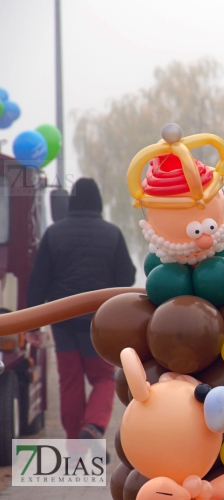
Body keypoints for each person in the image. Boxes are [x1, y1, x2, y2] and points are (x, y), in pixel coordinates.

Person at [26, 178, 136, 443]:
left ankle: (76, 446)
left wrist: (31, 326)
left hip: (62, 321)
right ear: (97, 202)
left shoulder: (54, 233)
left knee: (70, 382)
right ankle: (94, 426)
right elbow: (128, 276)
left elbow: (38, 280)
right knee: (103, 377)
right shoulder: (111, 233)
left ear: (71, 202)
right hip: (97, 323)